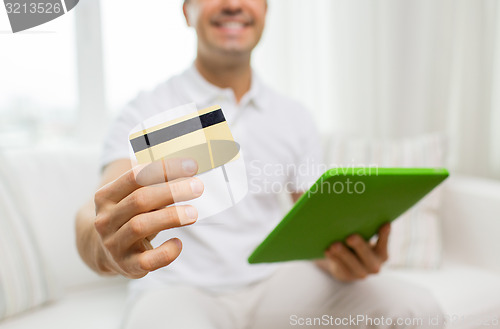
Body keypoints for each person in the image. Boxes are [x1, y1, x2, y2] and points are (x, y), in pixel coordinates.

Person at [76, 0, 443, 328]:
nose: (234, 4)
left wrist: (337, 258)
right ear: (186, 10)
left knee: (416, 308)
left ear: (266, 11)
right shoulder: (144, 110)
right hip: (178, 290)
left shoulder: (294, 116)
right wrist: (102, 243)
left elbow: (311, 222)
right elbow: (98, 213)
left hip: (275, 282)